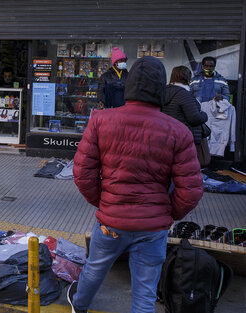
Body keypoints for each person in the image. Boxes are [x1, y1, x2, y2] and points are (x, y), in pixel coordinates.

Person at [68, 56, 203, 313]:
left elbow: (82, 173)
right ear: (160, 88)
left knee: (95, 268)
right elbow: (192, 190)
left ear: (129, 85)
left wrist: (106, 203)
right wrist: (166, 212)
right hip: (153, 226)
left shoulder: (100, 120)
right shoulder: (178, 131)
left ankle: (80, 307)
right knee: (144, 290)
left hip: (111, 221)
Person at [163, 66, 209, 165]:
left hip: (165, 135)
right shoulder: (184, 95)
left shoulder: (163, 91)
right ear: (187, 78)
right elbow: (194, 118)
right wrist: (204, 115)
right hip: (183, 136)